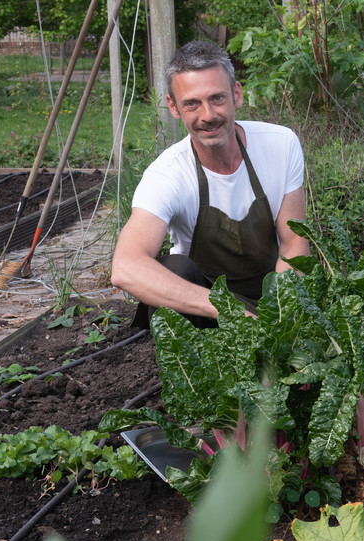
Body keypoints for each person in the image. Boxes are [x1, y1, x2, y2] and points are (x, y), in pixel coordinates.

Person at [111, 41, 310, 327]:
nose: (208, 115)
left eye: (217, 98)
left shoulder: (281, 145)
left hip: (272, 298)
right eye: (191, 103)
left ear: (236, 94)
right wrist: (229, 311)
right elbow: (125, 268)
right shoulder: (167, 174)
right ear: (173, 106)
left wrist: (282, 316)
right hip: (204, 309)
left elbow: (294, 245)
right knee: (174, 268)